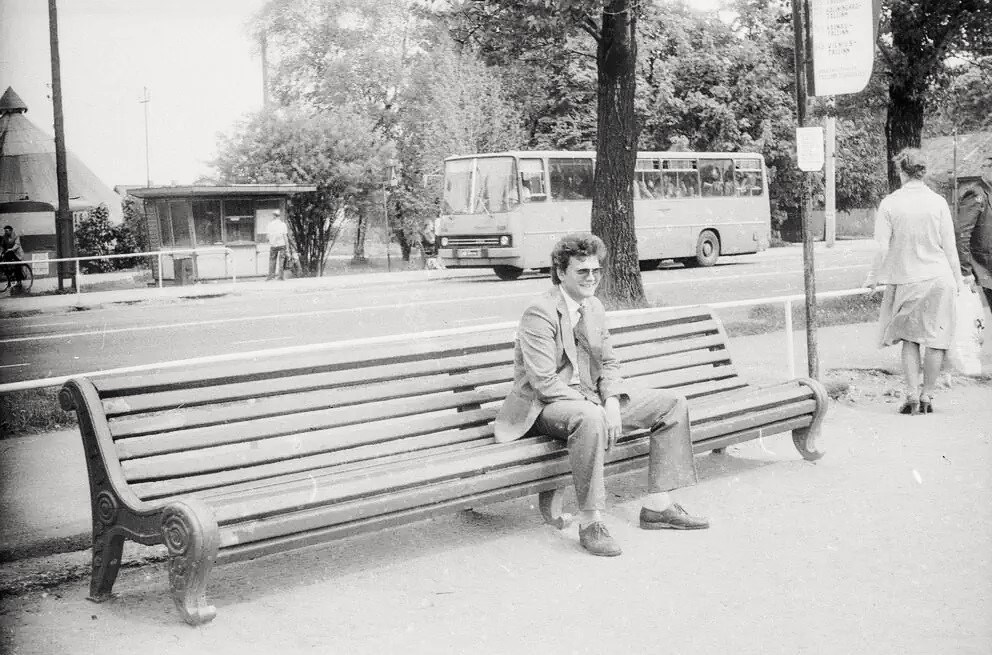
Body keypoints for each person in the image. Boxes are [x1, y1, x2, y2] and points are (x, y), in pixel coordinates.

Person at [494, 233, 708, 557]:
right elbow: (544, 382)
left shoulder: (593, 306)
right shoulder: (540, 312)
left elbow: (608, 363)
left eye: (596, 270)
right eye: (582, 271)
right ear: (561, 272)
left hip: (589, 399)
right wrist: (597, 406)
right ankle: (591, 521)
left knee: (673, 404)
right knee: (591, 417)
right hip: (544, 408)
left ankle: (658, 506)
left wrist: (611, 402)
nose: (591, 278)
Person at [863, 148, 966, 415]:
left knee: (910, 340)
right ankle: (927, 396)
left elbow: (882, 249)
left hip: (908, 280)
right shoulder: (938, 202)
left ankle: (910, 396)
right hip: (940, 278)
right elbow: (950, 247)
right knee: (937, 339)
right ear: (924, 172)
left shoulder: (890, 203)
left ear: (901, 172)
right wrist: (958, 281)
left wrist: (874, 277)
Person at [954, 156, 992, 308]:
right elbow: (962, 233)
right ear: (987, 168)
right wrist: (966, 270)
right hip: (984, 267)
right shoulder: (976, 194)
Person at [265, 210, 291, 281]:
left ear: (274, 216)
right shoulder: (283, 225)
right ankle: (281, 277)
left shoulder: (269, 225)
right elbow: (285, 237)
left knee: (272, 260)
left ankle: (271, 276)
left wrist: (271, 239)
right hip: (282, 245)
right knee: (281, 261)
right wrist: (287, 249)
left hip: (273, 245)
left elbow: (267, 238)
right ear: (279, 216)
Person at [1, 225, 24, 290]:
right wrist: (1, 251)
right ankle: (9, 278)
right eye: (5, 231)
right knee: (4, 263)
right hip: (9, 252)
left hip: (17, 253)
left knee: (17, 266)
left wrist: (11, 249)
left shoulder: (16, 235)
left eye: (7, 231)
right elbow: (2, 245)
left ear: (11, 231)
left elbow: (17, 244)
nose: (6, 232)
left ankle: (19, 282)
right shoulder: (4, 236)